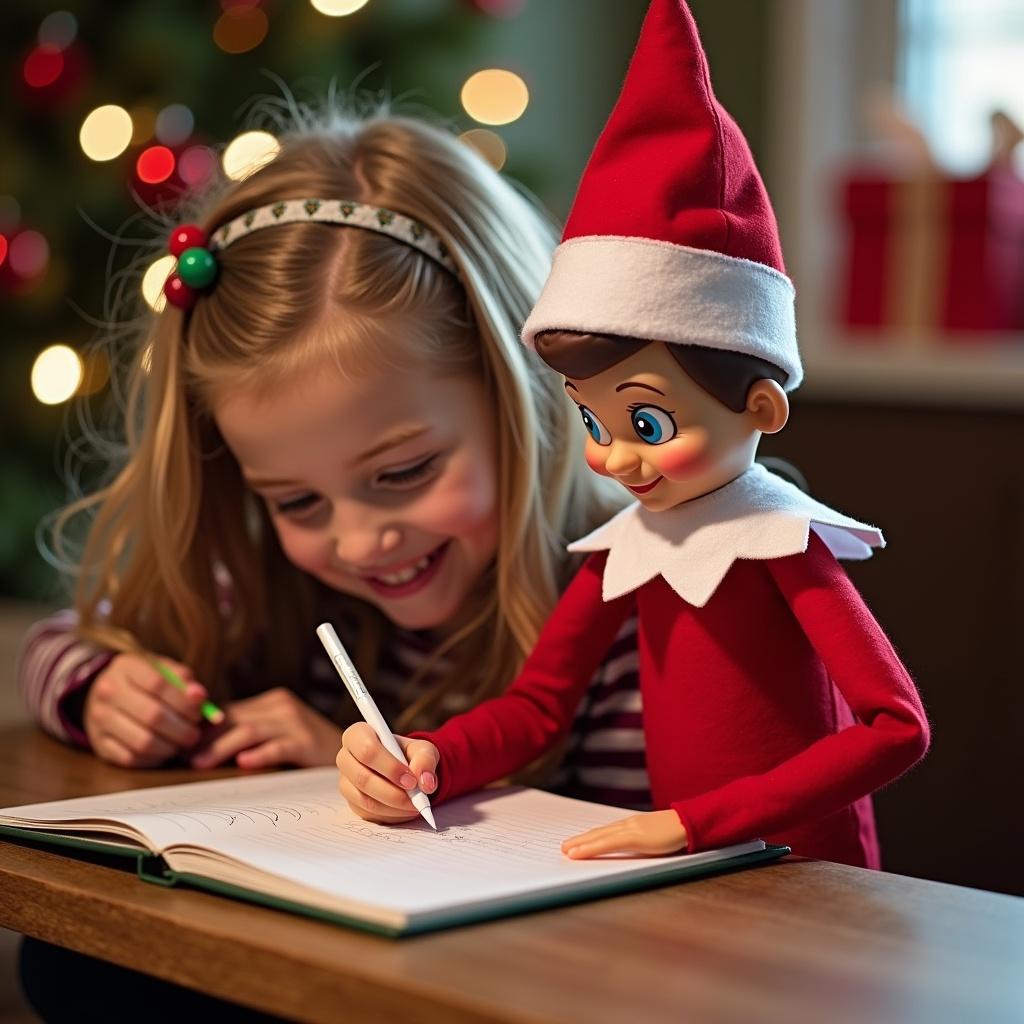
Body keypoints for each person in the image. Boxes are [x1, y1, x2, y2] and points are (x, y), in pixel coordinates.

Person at [16, 98, 646, 1021]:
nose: (358, 543)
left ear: (533, 397)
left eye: (404, 471)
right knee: (72, 965)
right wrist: (104, 686)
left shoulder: (634, 606)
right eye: (297, 501)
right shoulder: (283, 582)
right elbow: (60, 638)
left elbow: (651, 868)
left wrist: (339, 778)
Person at [335, 0, 930, 869]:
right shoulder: (629, 547)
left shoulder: (781, 543)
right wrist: (439, 757)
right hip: (686, 880)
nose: (613, 456)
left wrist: (699, 822)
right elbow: (540, 706)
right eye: (591, 418)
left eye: (647, 421)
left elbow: (896, 727)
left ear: (761, 408)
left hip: (809, 880)